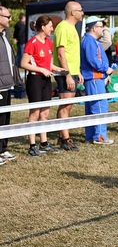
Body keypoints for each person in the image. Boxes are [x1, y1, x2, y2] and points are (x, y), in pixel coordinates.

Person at [20, 15, 64, 157]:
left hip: (46, 80)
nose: (52, 29)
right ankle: (32, 145)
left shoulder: (48, 42)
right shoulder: (32, 42)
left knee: (45, 113)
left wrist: (56, 68)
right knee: (34, 113)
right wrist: (41, 70)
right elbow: (23, 63)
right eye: (50, 26)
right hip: (35, 80)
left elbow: (47, 63)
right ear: (43, 27)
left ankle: (44, 143)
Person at [53, 1, 84, 151]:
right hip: (64, 73)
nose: (82, 13)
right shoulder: (63, 27)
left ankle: (62, 135)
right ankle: (65, 138)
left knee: (68, 105)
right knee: (65, 105)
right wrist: (67, 75)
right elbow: (61, 54)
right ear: (73, 12)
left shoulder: (72, 28)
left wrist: (77, 72)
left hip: (72, 72)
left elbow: (72, 54)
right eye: (80, 10)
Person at [81, 16, 114, 145]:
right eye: (101, 26)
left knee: (91, 108)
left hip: (95, 78)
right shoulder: (90, 41)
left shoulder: (91, 40)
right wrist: (106, 69)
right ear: (94, 28)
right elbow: (93, 60)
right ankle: (99, 136)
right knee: (99, 107)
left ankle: (91, 136)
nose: (103, 29)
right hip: (94, 78)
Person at [0, 6, 20, 164]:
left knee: (6, 118)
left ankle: (3, 149)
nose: (10, 19)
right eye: (8, 16)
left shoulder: (5, 35)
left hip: (7, 84)